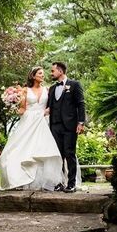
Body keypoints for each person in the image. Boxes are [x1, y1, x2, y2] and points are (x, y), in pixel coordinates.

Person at [0, 66, 65, 190]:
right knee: (21, 149)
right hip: (28, 121)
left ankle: (45, 182)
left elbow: (51, 106)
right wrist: (12, 105)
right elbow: (22, 109)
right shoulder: (25, 90)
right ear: (33, 76)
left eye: (43, 74)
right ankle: (19, 179)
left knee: (43, 150)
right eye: (40, 73)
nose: (43, 75)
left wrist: (48, 111)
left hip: (43, 122)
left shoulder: (47, 89)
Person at [45, 61, 85, 193]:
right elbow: (49, 107)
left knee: (69, 154)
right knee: (58, 156)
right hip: (55, 126)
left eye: (53, 71)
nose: (51, 73)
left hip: (70, 126)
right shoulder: (51, 88)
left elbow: (81, 104)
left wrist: (81, 122)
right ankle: (59, 182)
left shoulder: (74, 85)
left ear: (60, 71)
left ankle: (71, 183)